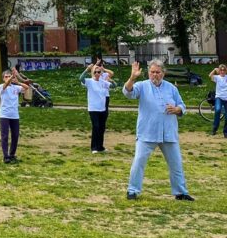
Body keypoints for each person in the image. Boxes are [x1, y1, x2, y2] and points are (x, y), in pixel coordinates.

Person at [123, 60, 193, 201]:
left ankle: (180, 192)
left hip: (168, 132)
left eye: (157, 72)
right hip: (147, 132)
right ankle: (132, 190)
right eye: (152, 72)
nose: (155, 75)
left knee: (176, 163)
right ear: (148, 73)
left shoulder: (171, 88)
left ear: (163, 73)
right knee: (139, 161)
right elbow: (127, 92)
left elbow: (182, 105)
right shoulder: (142, 86)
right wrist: (132, 78)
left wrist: (178, 109)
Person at [0, 67, 30, 164]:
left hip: (14, 115)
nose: (8, 78)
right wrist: (12, 75)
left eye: (9, 76)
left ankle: (12, 154)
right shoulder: (1, 86)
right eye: (6, 77)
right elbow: (6, 84)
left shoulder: (15, 87)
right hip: (4, 115)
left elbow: (27, 87)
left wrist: (18, 81)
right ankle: (5, 156)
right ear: (3, 78)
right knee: (5, 136)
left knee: (15, 135)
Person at [80, 64, 111, 153]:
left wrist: (110, 80)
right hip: (93, 109)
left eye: (99, 72)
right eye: (95, 72)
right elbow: (80, 78)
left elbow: (114, 86)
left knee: (102, 127)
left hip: (102, 108)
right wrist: (87, 70)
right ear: (93, 73)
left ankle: (100, 147)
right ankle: (94, 147)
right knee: (96, 127)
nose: (97, 73)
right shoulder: (89, 81)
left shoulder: (103, 82)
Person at [208, 64, 227, 137]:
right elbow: (210, 76)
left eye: (224, 70)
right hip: (219, 97)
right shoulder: (217, 77)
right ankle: (214, 129)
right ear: (219, 71)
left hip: (226, 98)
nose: (222, 71)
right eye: (221, 70)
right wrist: (214, 70)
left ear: (225, 71)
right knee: (218, 110)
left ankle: (225, 132)